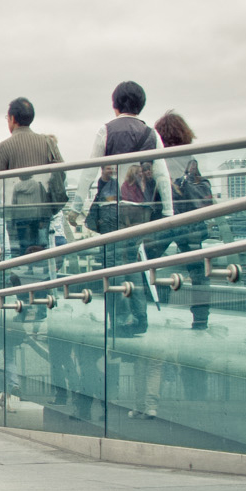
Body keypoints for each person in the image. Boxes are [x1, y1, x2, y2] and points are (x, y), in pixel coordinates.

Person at [82, 82, 173, 337]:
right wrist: (168, 212)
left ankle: (120, 321)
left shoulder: (107, 130)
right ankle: (139, 318)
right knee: (132, 263)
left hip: (113, 207)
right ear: (140, 105)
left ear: (115, 104)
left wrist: (77, 206)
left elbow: (90, 169)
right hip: (139, 209)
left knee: (112, 266)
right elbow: (162, 174)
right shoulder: (151, 133)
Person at [149, 112, 213, 330]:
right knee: (199, 274)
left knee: (141, 262)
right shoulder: (190, 158)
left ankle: (141, 310)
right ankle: (201, 320)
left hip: (166, 219)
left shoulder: (158, 157)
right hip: (191, 221)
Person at [0, 97, 66, 263]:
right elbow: (61, 172)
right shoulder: (47, 142)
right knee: (41, 257)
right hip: (42, 212)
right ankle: (40, 288)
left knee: (20, 259)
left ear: (12, 119)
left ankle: (23, 288)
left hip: (16, 214)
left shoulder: (4, 147)